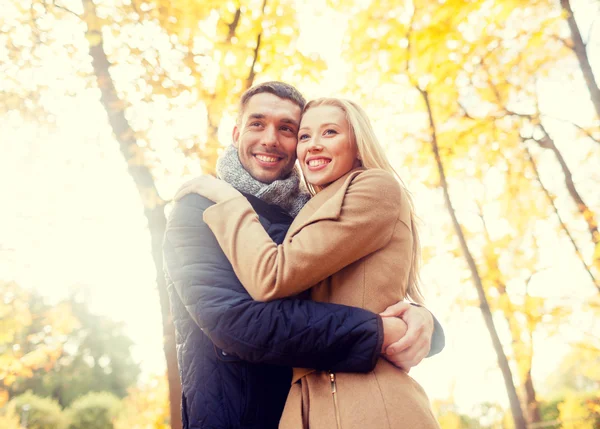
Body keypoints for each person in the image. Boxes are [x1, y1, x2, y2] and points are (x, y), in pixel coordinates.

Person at [163, 83, 444, 429]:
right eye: (257, 124)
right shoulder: (201, 208)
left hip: (329, 407)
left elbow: (350, 287)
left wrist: (420, 320)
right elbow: (237, 323)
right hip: (237, 418)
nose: (270, 139)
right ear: (236, 133)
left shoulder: (311, 212)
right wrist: (380, 332)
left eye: (287, 129)